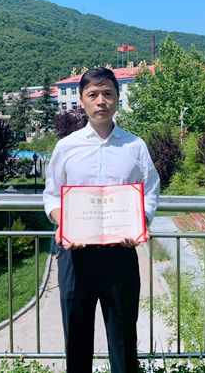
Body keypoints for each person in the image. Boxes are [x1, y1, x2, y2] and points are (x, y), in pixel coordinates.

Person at [43, 67, 160, 373]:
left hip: (120, 254)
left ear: (118, 98)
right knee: (77, 341)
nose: (101, 101)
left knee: (123, 341)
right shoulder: (66, 147)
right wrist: (63, 223)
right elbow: (52, 195)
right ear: (81, 101)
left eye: (108, 93)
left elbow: (151, 190)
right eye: (93, 94)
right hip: (76, 256)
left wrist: (140, 222)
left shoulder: (135, 146)